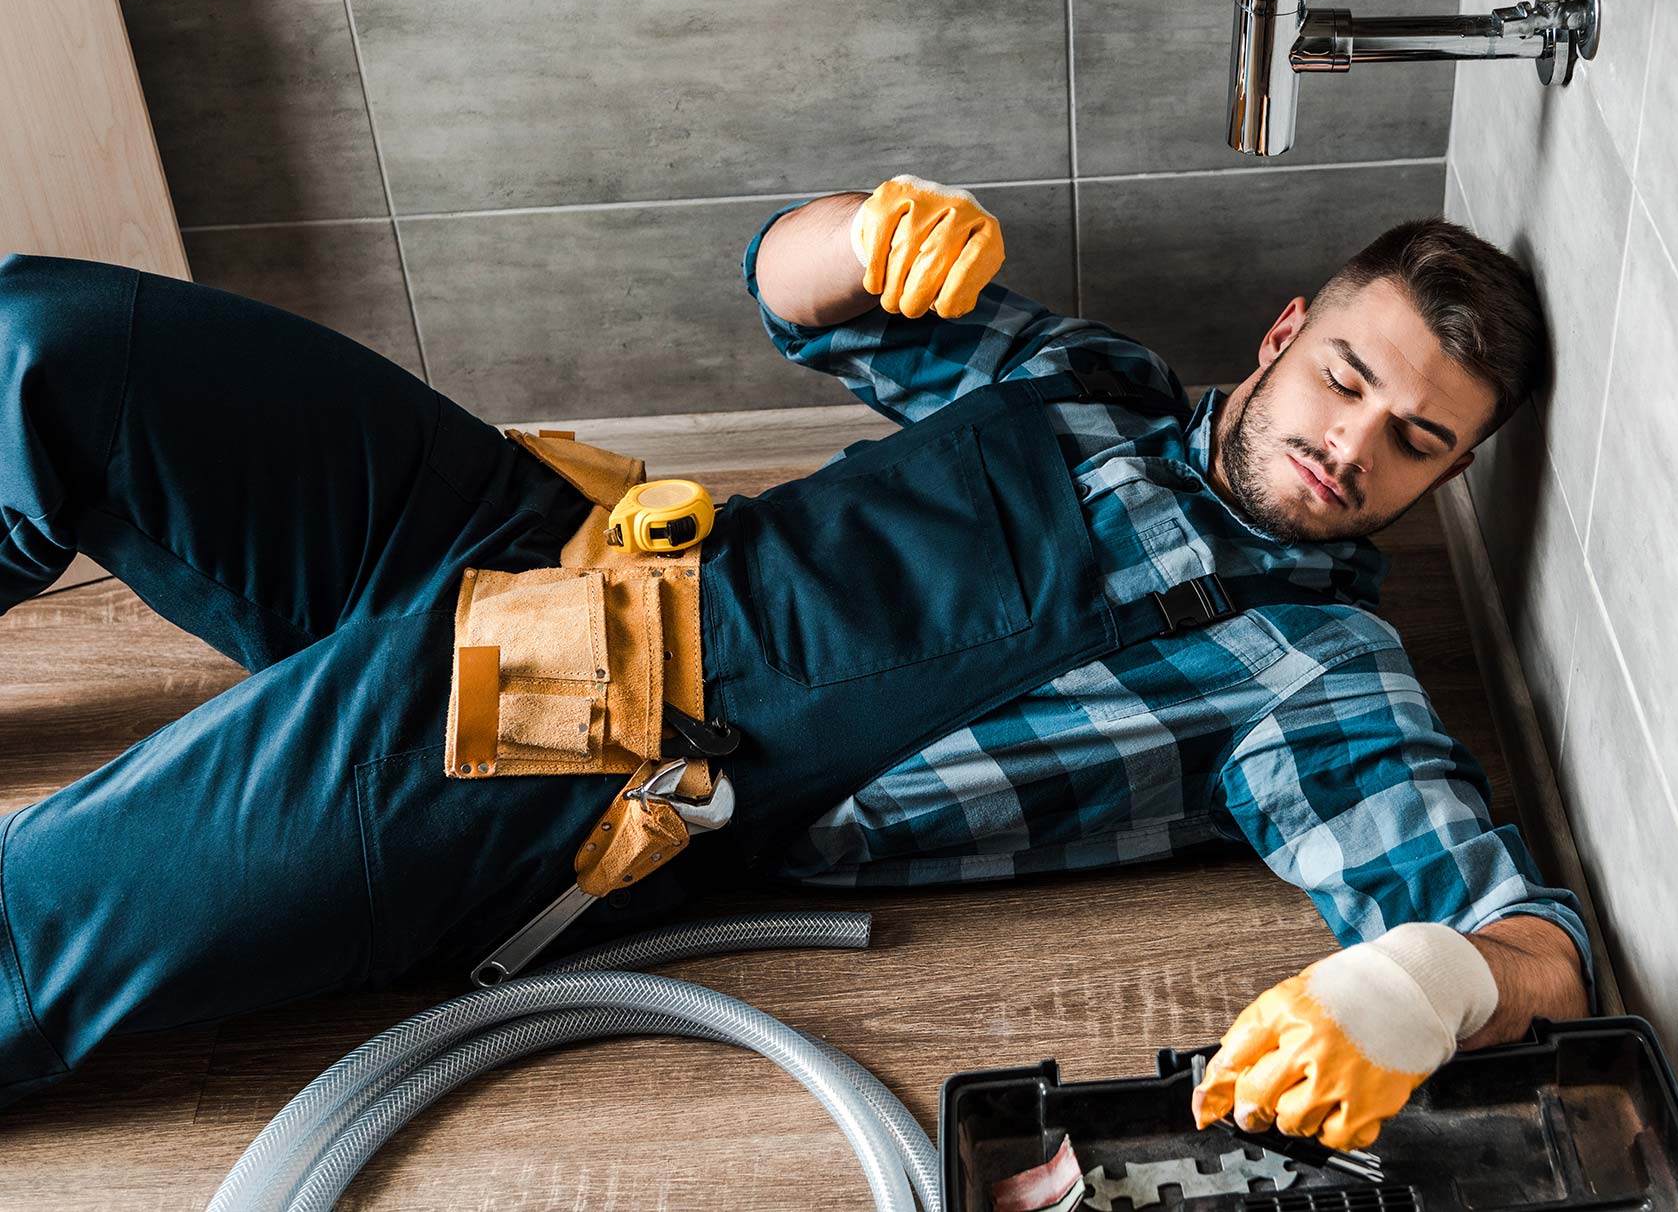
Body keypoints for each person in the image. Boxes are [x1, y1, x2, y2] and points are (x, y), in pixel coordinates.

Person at [0, 177, 1586, 1151]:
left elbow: (1533, 943)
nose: (1348, 447)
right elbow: (792, 294)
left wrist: (1435, 981)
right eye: (1347, 378)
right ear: (1285, 332)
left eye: (1415, 442)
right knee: (47, 349)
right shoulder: (1088, 383)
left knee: (36, 919)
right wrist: (864, 227)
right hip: (546, 532)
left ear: (1443, 483)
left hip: (582, 736)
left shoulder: (1310, 669)